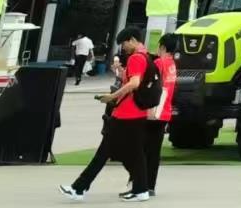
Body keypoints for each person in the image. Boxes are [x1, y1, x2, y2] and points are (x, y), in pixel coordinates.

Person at [61, 28, 152, 201]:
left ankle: (79, 188)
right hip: (136, 113)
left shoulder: (136, 58)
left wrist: (112, 96)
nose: (123, 48)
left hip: (126, 113)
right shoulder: (145, 56)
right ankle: (141, 190)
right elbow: (134, 79)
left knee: (105, 151)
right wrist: (121, 71)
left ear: (132, 40)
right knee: (134, 153)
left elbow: (134, 83)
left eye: (124, 43)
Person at [141, 33, 179, 197]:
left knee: (143, 150)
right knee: (154, 151)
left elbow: (150, 85)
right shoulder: (172, 64)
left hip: (152, 111)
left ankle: (140, 185)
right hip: (164, 111)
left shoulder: (158, 62)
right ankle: (150, 186)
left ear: (162, 46)